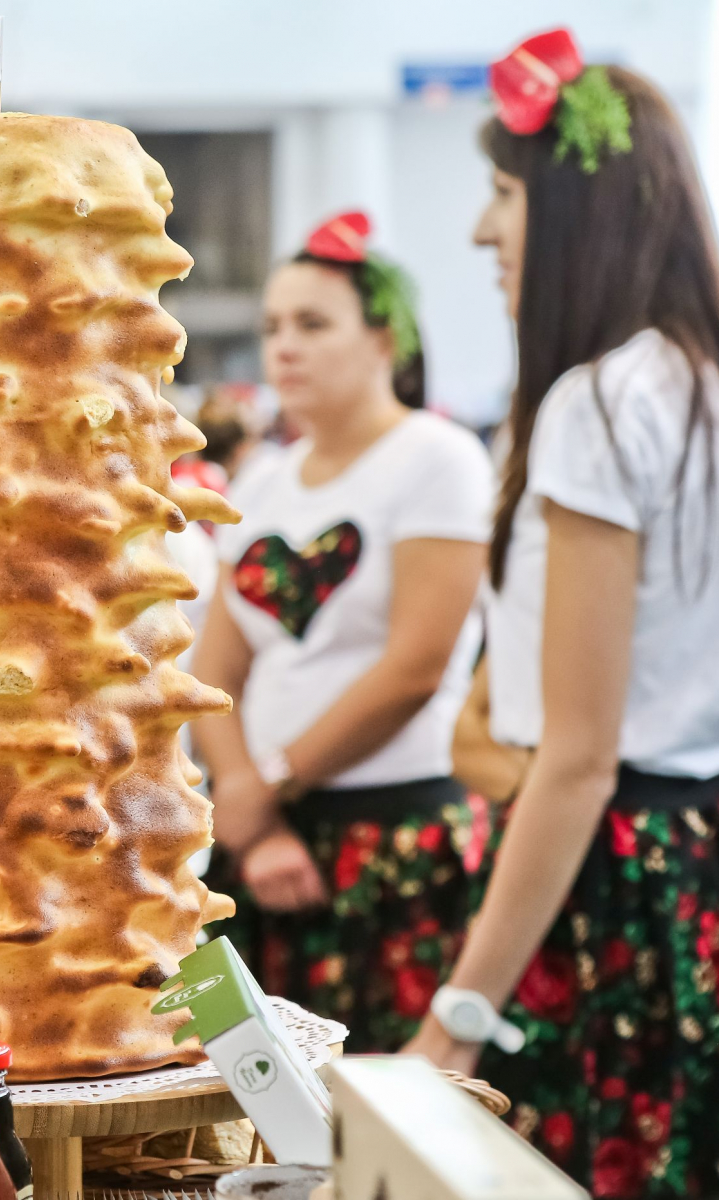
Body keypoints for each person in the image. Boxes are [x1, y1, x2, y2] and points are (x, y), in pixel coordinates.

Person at [405, 32, 719, 1196]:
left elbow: (579, 760)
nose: (483, 232)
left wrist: (457, 1018)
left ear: (576, 212)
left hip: (619, 882)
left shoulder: (600, 406)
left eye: (504, 195)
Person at [193, 212, 495, 1052]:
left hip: (392, 832)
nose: (284, 348)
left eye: (313, 324)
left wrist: (265, 786)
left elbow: (415, 667)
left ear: (384, 339)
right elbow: (213, 670)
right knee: (248, 1087)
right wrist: (255, 812)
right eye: (272, 328)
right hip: (262, 835)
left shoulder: (437, 458)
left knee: (384, 1092)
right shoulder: (264, 476)